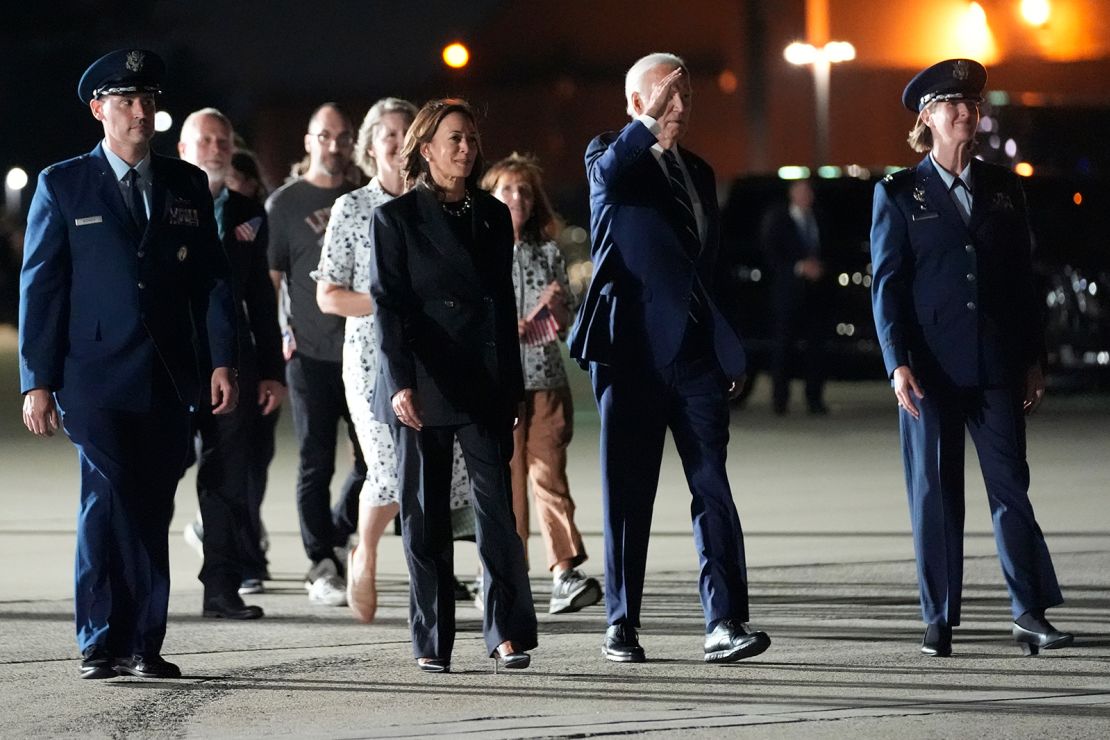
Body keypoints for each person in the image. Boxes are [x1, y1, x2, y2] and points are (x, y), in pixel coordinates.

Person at [19, 49, 238, 679]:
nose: (139, 112)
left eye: (146, 100)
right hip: (93, 378)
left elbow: (213, 282)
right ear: (99, 110)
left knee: (151, 503)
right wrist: (38, 382)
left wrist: (223, 359)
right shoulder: (63, 184)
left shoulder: (185, 184)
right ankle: (101, 640)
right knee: (109, 497)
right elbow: (43, 289)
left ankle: (144, 642)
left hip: (167, 376)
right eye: (124, 101)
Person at [568, 53, 771, 664]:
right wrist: (645, 124)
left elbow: (711, 269)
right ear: (635, 102)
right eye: (665, 97)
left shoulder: (701, 173)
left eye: (685, 97)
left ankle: (725, 622)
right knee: (629, 492)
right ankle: (621, 622)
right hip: (630, 354)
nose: (679, 108)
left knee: (713, 484)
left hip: (694, 357)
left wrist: (727, 343)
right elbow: (605, 178)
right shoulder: (611, 156)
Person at [870, 58, 1073, 658]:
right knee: (935, 493)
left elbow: (1020, 280)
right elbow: (887, 285)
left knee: (1012, 488)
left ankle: (1029, 611)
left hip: (995, 364)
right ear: (928, 118)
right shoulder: (898, 193)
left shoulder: (1004, 187)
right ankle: (939, 617)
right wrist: (895, 362)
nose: (968, 114)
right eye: (955, 105)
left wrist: (1034, 356)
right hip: (928, 370)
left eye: (973, 105)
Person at [369, 98, 537, 673]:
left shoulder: (491, 214)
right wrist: (399, 383)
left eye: (470, 138)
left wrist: (511, 386)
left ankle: (507, 633)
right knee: (425, 516)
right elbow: (389, 308)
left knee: (498, 517)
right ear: (425, 148)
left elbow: (503, 303)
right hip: (424, 380)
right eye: (454, 139)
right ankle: (432, 640)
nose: (466, 148)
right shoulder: (395, 219)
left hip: (485, 382)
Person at [313, 97, 474, 623]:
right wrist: (391, 304)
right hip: (371, 358)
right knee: (387, 465)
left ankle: (430, 576)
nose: (400, 143)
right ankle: (366, 551)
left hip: (435, 354)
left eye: (409, 134)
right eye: (389, 135)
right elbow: (329, 295)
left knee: (445, 468)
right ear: (370, 148)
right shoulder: (353, 208)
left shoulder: (439, 205)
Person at [481, 153, 602, 615]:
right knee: (506, 484)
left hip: (547, 380)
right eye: (508, 189)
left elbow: (568, 321)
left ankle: (564, 573)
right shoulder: (479, 251)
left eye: (525, 190)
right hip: (499, 385)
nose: (518, 197)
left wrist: (558, 307)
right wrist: (515, 323)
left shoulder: (549, 252)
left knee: (550, 475)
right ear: (489, 196)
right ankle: (507, 577)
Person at [178, 107, 285, 616]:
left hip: (236, 364)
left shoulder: (248, 212)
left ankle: (221, 587)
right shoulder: (163, 202)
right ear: (183, 151)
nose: (216, 149)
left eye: (223, 140)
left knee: (227, 477)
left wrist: (271, 371)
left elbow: (261, 299)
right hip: (173, 360)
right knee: (159, 473)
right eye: (205, 141)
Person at [267, 103, 366, 606]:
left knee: (374, 460)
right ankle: (321, 563)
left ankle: (337, 529)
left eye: (341, 136)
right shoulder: (285, 204)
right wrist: (279, 335)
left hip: (364, 354)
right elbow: (273, 279)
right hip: (308, 352)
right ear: (308, 141)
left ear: (352, 142)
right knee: (315, 461)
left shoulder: (365, 196)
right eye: (323, 135)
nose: (333, 145)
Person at [761, 178, 829, 415]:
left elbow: (828, 248)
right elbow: (771, 254)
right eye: (800, 192)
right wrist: (798, 267)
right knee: (783, 347)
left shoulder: (818, 218)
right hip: (788, 294)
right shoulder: (778, 219)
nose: (805, 196)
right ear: (792, 195)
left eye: (808, 192)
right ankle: (780, 400)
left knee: (816, 348)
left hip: (815, 295)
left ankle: (814, 399)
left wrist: (820, 268)